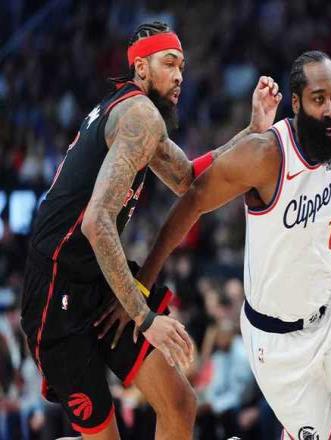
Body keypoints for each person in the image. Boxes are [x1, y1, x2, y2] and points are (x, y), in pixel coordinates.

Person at [133, 50, 331, 439]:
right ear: (298, 103)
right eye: (319, 99)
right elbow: (192, 202)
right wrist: (141, 284)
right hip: (277, 342)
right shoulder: (265, 155)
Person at [20, 21, 281, 440]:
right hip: (56, 290)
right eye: (169, 63)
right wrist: (144, 317)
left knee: (179, 402)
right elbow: (96, 221)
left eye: (183, 66)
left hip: (96, 276)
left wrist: (251, 133)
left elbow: (187, 178)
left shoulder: (140, 116)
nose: (179, 76)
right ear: (141, 68)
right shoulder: (139, 114)